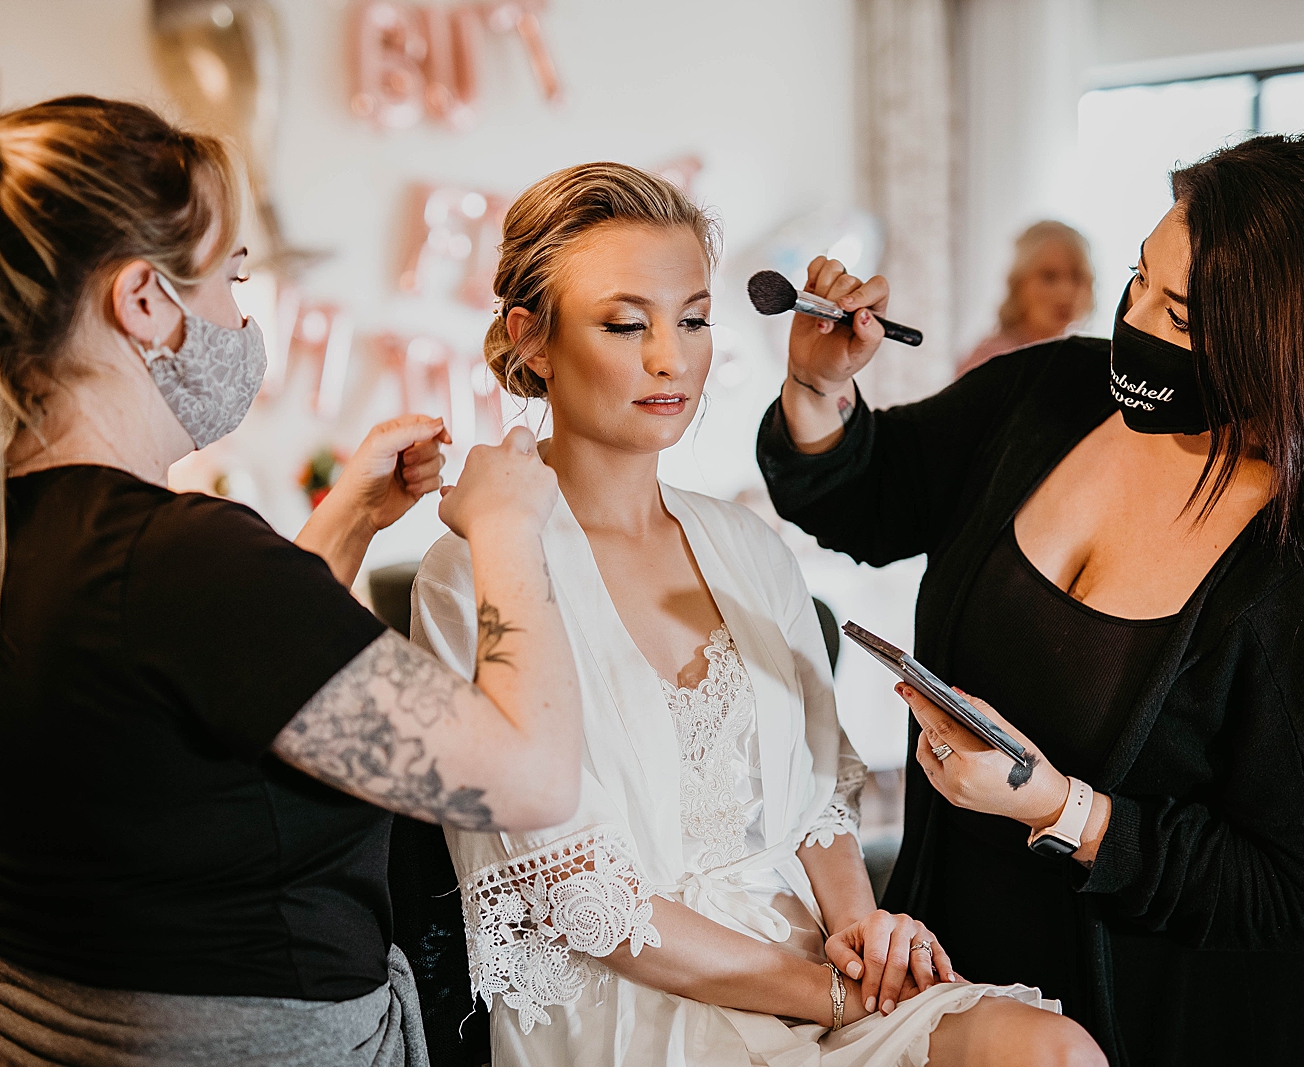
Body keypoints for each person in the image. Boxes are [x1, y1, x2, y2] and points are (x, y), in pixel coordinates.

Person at [0, 97, 580, 1067]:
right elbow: (529, 778)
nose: (242, 317)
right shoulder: (182, 559)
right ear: (145, 300)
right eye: (234, 279)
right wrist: (506, 526)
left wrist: (348, 520)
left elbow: (218, 692)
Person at [755, 133, 1304, 1067]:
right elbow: (863, 497)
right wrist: (818, 384)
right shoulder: (1049, 393)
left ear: (1288, 346)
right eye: (1138, 278)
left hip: (1156, 1029)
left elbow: (1285, 892)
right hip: (953, 995)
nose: (1137, 320)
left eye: (1182, 313)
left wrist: (1063, 808)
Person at [410, 162, 1103, 1067]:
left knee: (1051, 1051)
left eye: (693, 319)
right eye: (627, 324)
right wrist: (819, 987)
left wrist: (863, 934)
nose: (671, 358)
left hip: (811, 964)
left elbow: (817, 801)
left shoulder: (748, 545)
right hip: (630, 1004)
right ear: (530, 339)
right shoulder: (474, 570)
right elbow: (576, 893)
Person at [956, 220, 1093, 377]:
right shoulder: (990, 361)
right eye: (1049, 277)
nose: (1066, 292)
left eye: (1076, 276)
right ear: (1019, 283)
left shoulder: (1085, 359)